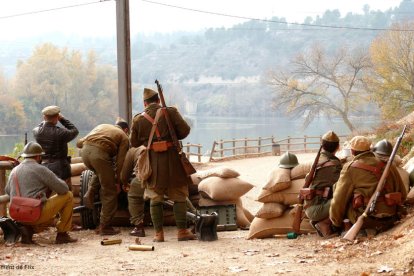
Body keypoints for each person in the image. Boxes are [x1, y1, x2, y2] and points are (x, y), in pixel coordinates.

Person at [130, 87, 195, 242]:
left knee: (155, 197)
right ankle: (182, 231)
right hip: (173, 160)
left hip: (153, 163)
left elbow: (134, 142)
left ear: (145, 103)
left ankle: (158, 234)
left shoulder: (138, 119)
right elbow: (185, 131)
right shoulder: (170, 112)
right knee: (179, 196)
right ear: (158, 100)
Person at [330, 136, 407, 237]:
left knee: (344, 196)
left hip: (367, 220)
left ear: (352, 151)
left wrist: (335, 223)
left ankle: (358, 230)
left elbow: (338, 200)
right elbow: (403, 194)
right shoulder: (389, 165)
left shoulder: (350, 168)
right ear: (370, 149)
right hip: (391, 217)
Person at [5, 142, 77, 244]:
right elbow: (64, 189)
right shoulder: (40, 169)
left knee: (47, 215)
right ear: (38, 156)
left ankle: (27, 230)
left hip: (17, 215)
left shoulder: (14, 171)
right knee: (68, 196)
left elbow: (8, 191)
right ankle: (62, 234)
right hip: (34, 214)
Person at [76, 119, 130, 235]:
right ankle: (104, 226)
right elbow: (121, 162)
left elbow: (79, 143)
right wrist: (118, 182)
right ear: (126, 130)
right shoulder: (124, 137)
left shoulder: (102, 126)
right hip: (99, 156)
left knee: (101, 171)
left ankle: (90, 191)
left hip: (85, 154)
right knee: (109, 191)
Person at [303, 131, 342, 237]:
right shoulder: (334, 164)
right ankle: (324, 223)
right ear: (338, 146)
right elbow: (342, 186)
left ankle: (321, 221)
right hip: (318, 208)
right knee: (346, 196)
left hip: (310, 205)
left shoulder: (318, 160)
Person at [33, 105, 79, 185]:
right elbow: (74, 130)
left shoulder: (36, 132)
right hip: (61, 169)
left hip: (44, 167)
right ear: (57, 117)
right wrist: (62, 119)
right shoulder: (61, 133)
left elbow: (41, 125)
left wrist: (46, 120)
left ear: (44, 117)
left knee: (47, 193)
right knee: (65, 194)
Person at [120, 147, 146, 237]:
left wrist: (124, 183)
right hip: (166, 176)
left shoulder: (133, 150)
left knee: (133, 195)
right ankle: (192, 217)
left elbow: (124, 175)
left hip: (146, 176)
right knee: (179, 196)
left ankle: (138, 227)